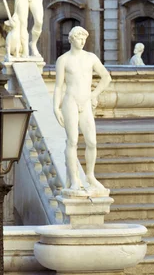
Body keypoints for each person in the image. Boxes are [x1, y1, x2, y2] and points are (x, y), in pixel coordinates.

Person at [53, 26, 112, 193]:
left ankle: (90, 176)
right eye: (79, 38)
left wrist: (94, 94)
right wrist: (55, 108)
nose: (82, 41)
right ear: (71, 39)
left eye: (84, 38)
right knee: (72, 141)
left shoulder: (91, 58)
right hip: (70, 102)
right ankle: (74, 179)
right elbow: (58, 87)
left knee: (91, 142)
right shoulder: (63, 60)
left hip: (85, 103)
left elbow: (106, 77)